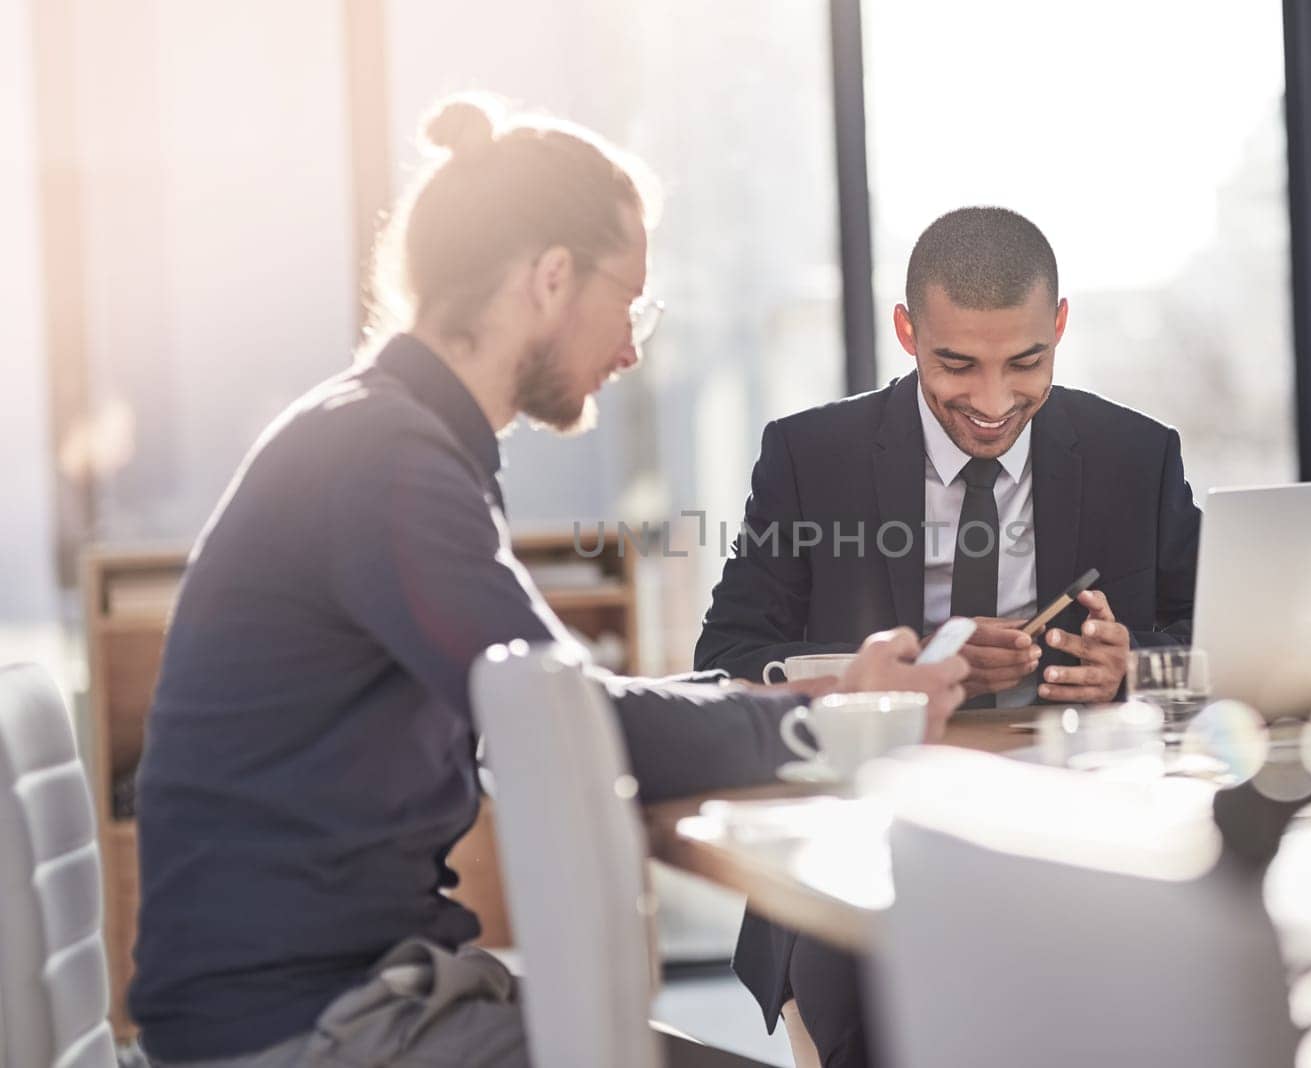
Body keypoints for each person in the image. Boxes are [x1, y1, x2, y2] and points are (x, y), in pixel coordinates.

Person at [128, 93, 968, 1068]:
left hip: (330, 999)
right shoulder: (388, 462)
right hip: (307, 1031)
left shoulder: (382, 435)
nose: (631, 345)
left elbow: (561, 702)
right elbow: (571, 725)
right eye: (631, 303)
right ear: (552, 278)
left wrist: (800, 695)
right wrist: (834, 723)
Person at [695, 206, 1203, 1066]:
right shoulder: (808, 456)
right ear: (907, 332)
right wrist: (903, 673)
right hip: (862, 833)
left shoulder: (1136, 454)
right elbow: (728, 661)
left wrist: (1132, 670)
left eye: (1026, 363)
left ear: (1061, 327)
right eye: (957, 366)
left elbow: (1215, 646)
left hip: (1078, 825)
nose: (994, 402)